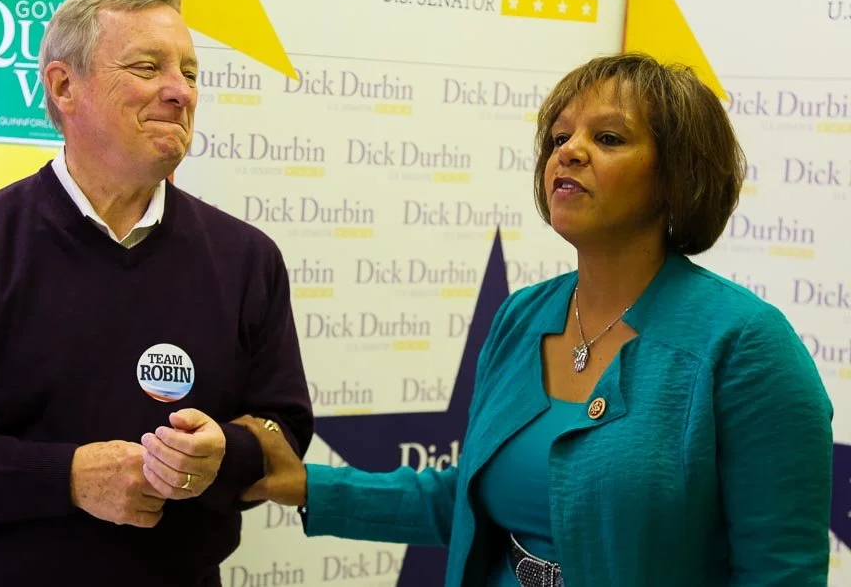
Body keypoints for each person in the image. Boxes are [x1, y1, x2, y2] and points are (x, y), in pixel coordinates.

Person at [233, 53, 834, 587]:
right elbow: (469, 502)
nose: (568, 151)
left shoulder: (747, 346)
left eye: (608, 138)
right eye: (559, 136)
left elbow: (781, 571)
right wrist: (308, 485)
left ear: (677, 177)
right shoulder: (521, 317)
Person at [0, 0, 313, 587]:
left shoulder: (247, 259)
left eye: (190, 73)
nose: (181, 91)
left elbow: (282, 426)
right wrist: (66, 477)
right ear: (64, 87)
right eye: (148, 68)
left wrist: (225, 453)